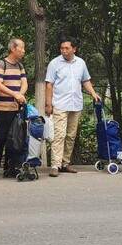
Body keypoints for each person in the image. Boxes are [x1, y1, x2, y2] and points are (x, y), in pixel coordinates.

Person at [45, 36, 101, 177]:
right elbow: (49, 84)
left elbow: (85, 81)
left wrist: (93, 93)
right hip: (59, 104)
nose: (64, 51)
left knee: (71, 136)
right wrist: (48, 104)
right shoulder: (54, 63)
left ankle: (65, 163)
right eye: (62, 48)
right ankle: (55, 165)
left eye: (67, 48)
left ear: (74, 49)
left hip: (75, 104)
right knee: (59, 135)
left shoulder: (80, 63)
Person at [0, 39, 28, 178]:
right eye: (22, 48)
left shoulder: (20, 66)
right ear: (13, 48)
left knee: (14, 137)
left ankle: (10, 167)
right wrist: (14, 94)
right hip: (3, 108)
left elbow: (24, 82)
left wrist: (20, 94)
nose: (24, 51)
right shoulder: (2, 64)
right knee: (1, 137)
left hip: (16, 107)